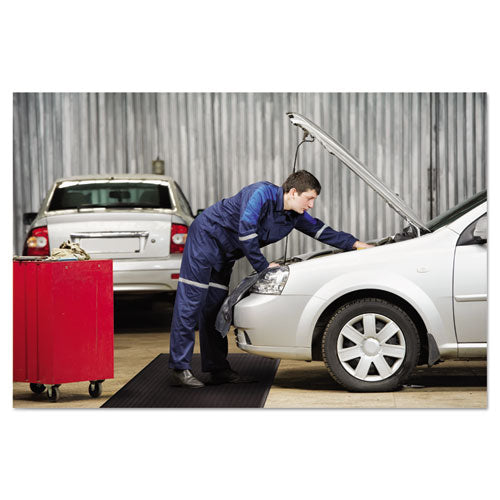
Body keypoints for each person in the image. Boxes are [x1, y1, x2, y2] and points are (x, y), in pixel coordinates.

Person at [169, 170, 373, 388]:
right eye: (309, 198)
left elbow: (321, 231)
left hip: (226, 254)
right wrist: (263, 267)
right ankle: (180, 368)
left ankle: (217, 369)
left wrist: (357, 244)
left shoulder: (293, 215)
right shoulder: (260, 194)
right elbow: (246, 232)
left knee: (215, 309)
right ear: (293, 192)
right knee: (191, 303)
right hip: (205, 240)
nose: (311, 205)